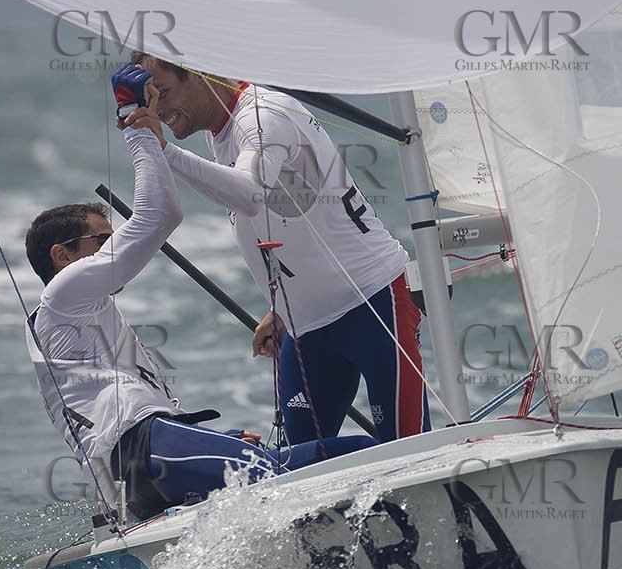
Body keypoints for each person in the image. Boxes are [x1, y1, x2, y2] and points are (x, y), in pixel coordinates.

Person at [24, 64, 374, 522]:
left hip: (132, 478)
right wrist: (138, 126)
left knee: (282, 466)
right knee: (319, 464)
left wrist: (221, 439)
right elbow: (160, 215)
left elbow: (137, 404)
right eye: (101, 240)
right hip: (143, 448)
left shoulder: (82, 316)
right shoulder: (66, 293)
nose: (115, 247)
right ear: (62, 256)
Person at [131, 52, 430, 448]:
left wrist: (166, 151)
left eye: (163, 93)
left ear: (202, 72)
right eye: (151, 100)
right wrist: (285, 306)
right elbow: (278, 217)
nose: (160, 109)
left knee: (407, 449)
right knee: (298, 465)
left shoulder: (265, 115)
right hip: (305, 326)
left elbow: (249, 193)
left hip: (372, 303)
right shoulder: (221, 131)